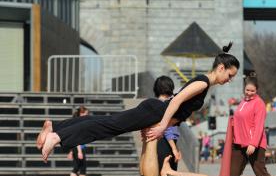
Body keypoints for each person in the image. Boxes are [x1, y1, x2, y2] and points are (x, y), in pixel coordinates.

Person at [37, 42, 240, 162]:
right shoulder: (203, 83)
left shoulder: (204, 83)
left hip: (154, 113)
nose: (229, 80)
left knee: (106, 122)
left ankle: (55, 127)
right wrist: (161, 126)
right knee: (107, 126)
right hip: (156, 112)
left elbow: (179, 112)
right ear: (221, 67)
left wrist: (159, 124)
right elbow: (176, 101)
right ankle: (57, 136)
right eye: (230, 75)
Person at [67, 106, 90, 176]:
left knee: (82, 167)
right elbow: (76, 139)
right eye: (85, 114)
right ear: (81, 113)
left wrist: (71, 151)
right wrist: (79, 151)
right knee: (76, 168)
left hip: (80, 148)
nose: (87, 115)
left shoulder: (80, 123)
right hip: (79, 148)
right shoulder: (78, 124)